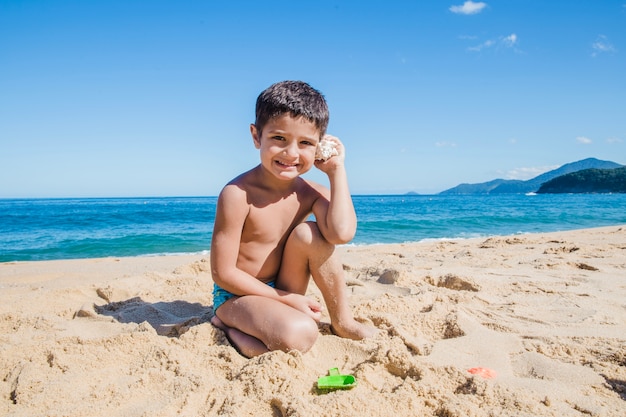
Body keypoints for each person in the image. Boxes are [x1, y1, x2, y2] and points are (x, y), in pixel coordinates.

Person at [210, 80, 376, 357]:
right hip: (236, 296)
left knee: (310, 234)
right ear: (256, 136)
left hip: (285, 288)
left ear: (319, 147)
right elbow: (223, 273)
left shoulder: (309, 192)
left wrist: (336, 172)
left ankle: (342, 321)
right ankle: (227, 326)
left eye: (306, 143)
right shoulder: (237, 194)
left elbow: (341, 233)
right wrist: (287, 300)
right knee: (301, 334)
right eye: (279, 139)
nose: (291, 154)